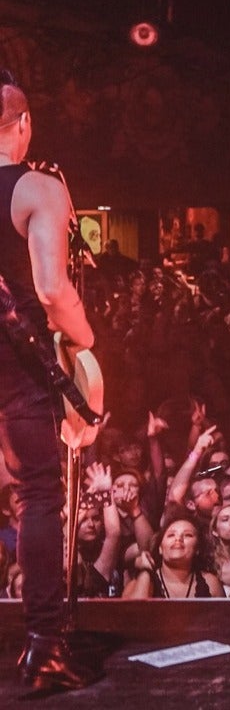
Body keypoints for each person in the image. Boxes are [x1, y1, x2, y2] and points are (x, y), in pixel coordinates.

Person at [0, 71, 102, 690]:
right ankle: (45, 649)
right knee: (38, 494)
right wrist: (84, 338)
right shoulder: (37, 187)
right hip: (16, 357)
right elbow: (51, 289)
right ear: (25, 124)